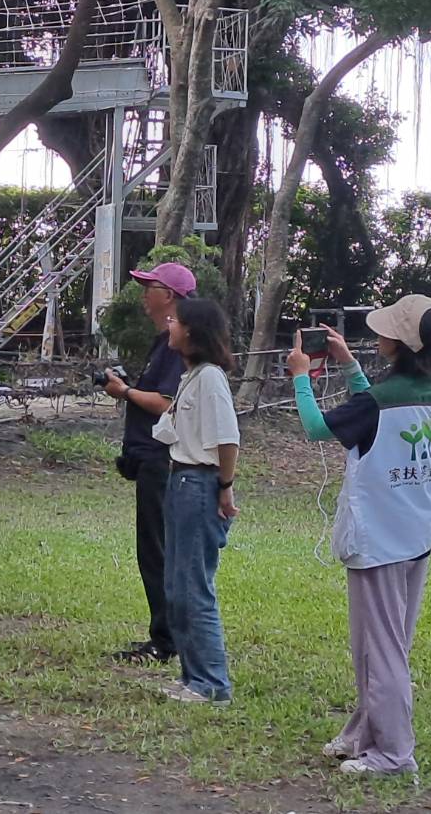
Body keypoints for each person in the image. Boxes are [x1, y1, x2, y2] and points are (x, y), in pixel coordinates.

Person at [289, 294, 431, 776]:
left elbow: (318, 428)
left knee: (380, 651)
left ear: (397, 342)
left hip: (379, 537)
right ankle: (364, 733)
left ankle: (394, 753)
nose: (377, 334)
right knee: (383, 644)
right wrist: (350, 367)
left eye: (385, 330)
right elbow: (374, 417)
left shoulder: (380, 400)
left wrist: (301, 375)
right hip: (413, 531)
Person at [101, 261, 195, 665]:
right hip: (153, 460)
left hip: (164, 460)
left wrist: (125, 392)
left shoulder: (177, 345)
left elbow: (166, 402)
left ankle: (166, 639)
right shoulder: (165, 342)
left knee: (158, 551)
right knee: (156, 550)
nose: (143, 295)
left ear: (168, 296)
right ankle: (168, 634)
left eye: (149, 287)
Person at [155, 298, 240, 704]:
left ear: (191, 330)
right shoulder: (190, 376)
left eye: (175, 320)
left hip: (199, 483)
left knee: (193, 586)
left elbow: (228, 439)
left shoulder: (210, 379)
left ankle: (212, 683)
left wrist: (225, 485)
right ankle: (192, 677)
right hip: (180, 479)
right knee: (176, 586)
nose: (169, 325)